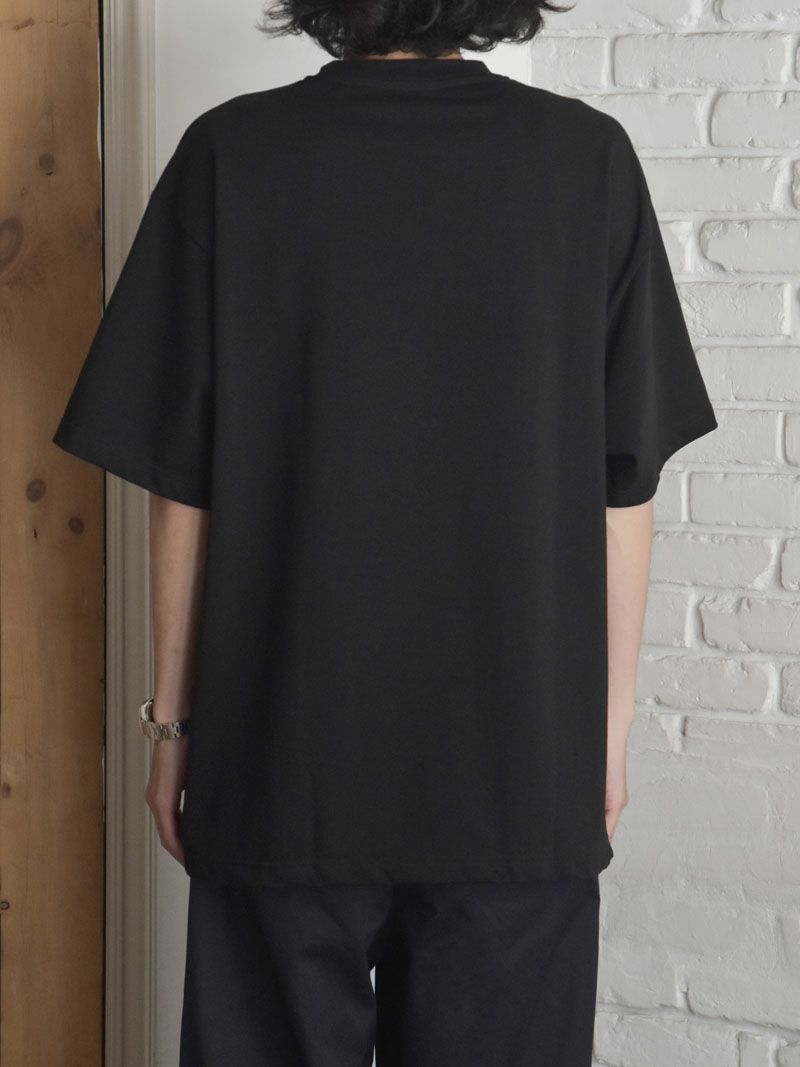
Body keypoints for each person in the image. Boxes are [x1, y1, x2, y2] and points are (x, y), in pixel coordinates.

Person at [51, 1, 719, 1063]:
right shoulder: (583, 158)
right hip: (517, 760)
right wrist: (604, 731)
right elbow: (622, 482)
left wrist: (173, 729)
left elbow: (185, 485)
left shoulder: (234, 152)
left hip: (280, 752)